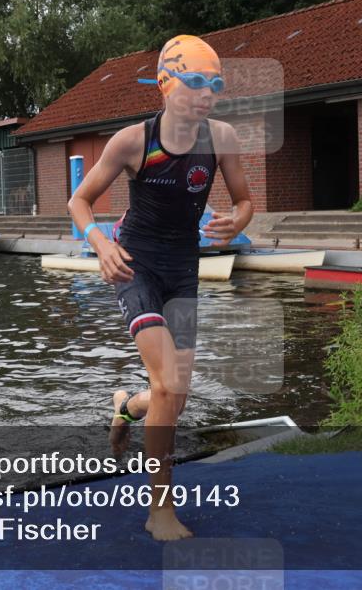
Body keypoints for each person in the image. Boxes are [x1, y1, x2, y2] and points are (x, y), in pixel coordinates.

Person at [68, 34, 253, 540]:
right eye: (195, 82)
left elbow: (244, 202)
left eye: (214, 85)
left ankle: (126, 406)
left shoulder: (222, 139)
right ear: (166, 84)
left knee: (175, 395)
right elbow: (79, 202)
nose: (206, 94)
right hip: (136, 267)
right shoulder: (133, 141)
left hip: (182, 271)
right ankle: (160, 512)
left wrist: (236, 224)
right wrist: (100, 244)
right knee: (169, 383)